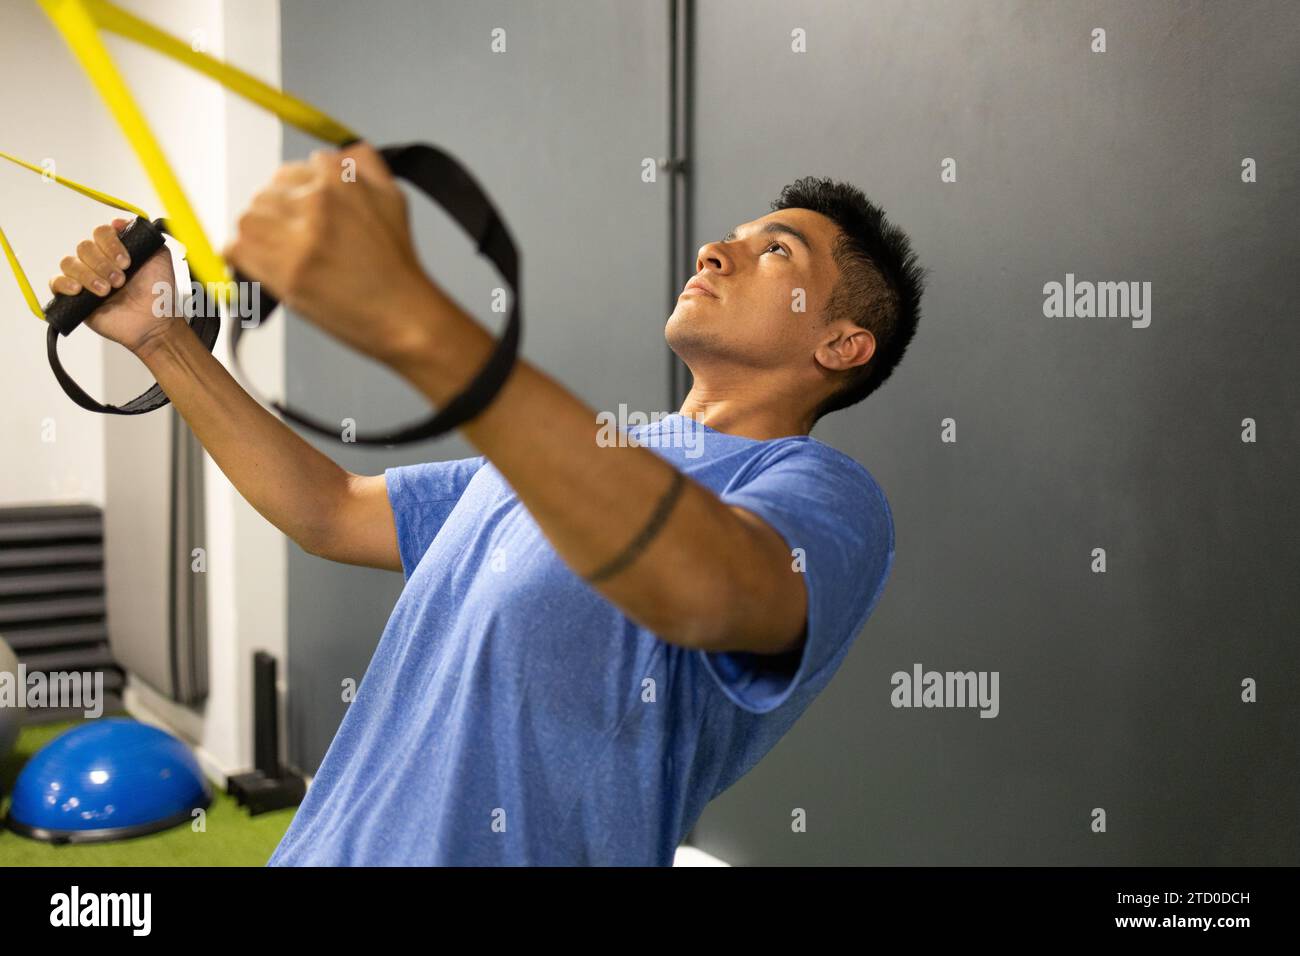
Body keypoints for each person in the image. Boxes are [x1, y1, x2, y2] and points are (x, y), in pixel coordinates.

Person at [49, 142, 925, 865]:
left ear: (844, 344)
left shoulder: (826, 495)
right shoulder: (587, 457)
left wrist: (414, 318)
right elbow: (330, 510)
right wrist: (163, 339)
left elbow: (711, 586)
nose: (715, 251)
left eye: (777, 250)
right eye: (732, 235)